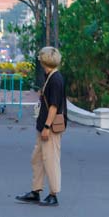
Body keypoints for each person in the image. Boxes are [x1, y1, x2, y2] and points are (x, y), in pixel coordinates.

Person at [16, 46, 67, 207]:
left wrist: (46, 126)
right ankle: (36, 190)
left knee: (50, 159)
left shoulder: (56, 79)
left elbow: (54, 106)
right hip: (43, 125)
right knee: (37, 158)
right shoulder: (49, 77)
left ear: (44, 60)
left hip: (49, 127)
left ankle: (53, 194)